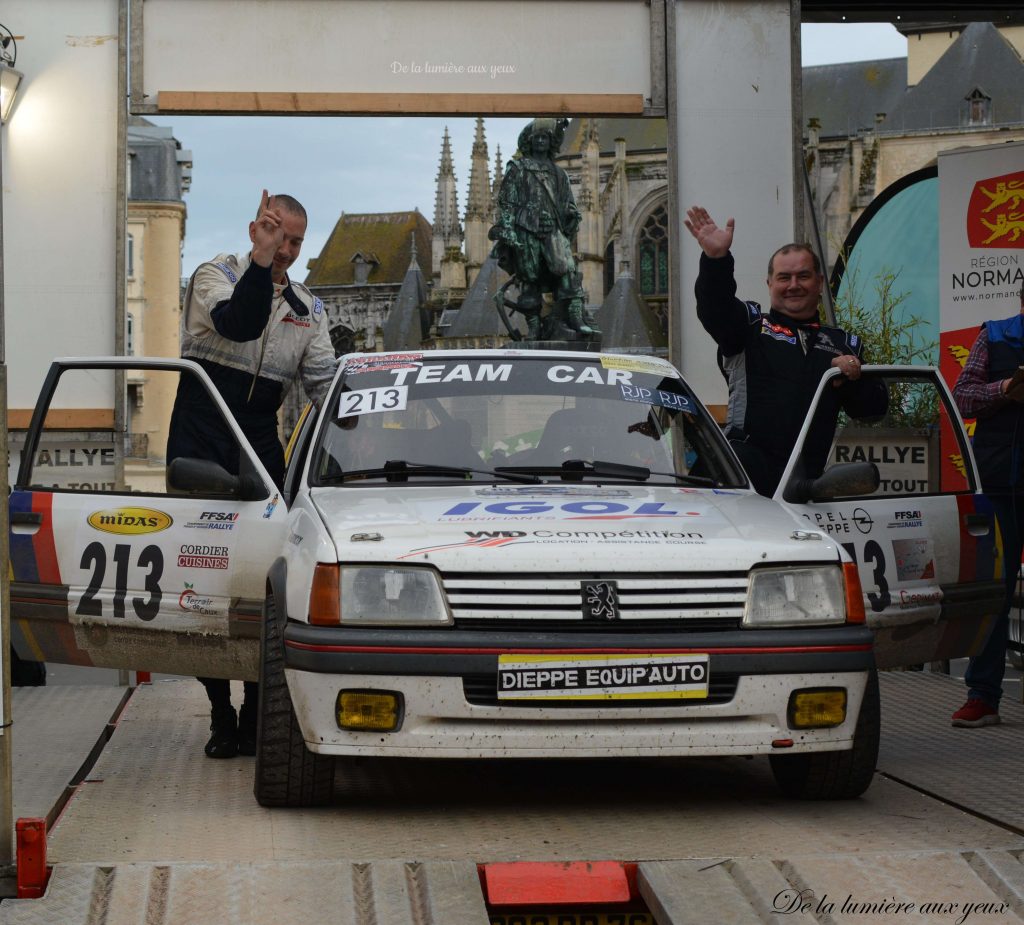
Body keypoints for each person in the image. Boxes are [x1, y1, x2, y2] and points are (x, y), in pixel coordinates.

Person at [167, 191, 337, 758]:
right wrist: (261, 264)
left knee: (264, 588)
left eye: (293, 241)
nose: (284, 248)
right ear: (254, 229)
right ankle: (220, 713)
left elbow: (324, 390)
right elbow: (238, 325)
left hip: (261, 446)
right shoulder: (214, 274)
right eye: (275, 234)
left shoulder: (309, 310)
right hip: (202, 439)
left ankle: (256, 709)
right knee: (203, 585)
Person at [683, 206, 886, 496]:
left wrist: (853, 378)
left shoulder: (843, 344)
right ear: (769, 284)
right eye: (783, 277)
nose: (793, 285)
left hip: (805, 488)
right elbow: (715, 309)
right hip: (740, 481)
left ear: (819, 283)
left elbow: (873, 410)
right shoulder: (750, 326)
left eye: (803, 276)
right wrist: (716, 261)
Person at [949, 282, 1024, 727]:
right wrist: (1005, 390)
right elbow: (962, 396)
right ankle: (983, 696)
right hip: (1000, 482)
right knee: (996, 590)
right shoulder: (994, 334)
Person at [488, 118, 597, 340]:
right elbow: (507, 202)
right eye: (536, 137)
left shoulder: (559, 174)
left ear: (550, 143)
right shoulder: (518, 169)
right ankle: (535, 328)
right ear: (529, 142)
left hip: (552, 231)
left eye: (544, 138)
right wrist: (508, 229)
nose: (540, 141)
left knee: (567, 271)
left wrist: (572, 216)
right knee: (530, 281)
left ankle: (576, 319)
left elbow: (568, 203)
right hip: (526, 230)